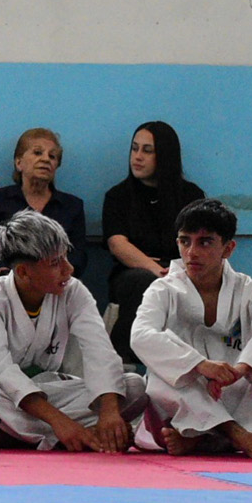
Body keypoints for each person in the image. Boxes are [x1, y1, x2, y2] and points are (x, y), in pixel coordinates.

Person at [0, 211, 145, 451]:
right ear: (23, 272)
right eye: (55, 263)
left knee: (134, 386)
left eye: (66, 257)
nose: (69, 269)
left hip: (47, 391)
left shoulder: (74, 291)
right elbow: (1, 370)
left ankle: (18, 436)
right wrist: (60, 422)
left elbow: (100, 350)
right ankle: (68, 434)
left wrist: (109, 413)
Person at [131, 199, 252, 458]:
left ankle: (198, 438)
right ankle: (234, 435)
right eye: (185, 241)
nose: (191, 252)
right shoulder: (163, 289)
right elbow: (141, 336)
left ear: (228, 248)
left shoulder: (250, 291)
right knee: (162, 378)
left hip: (231, 390)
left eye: (205, 242)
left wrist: (240, 370)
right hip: (183, 399)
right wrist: (200, 365)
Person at [102, 121, 204, 362]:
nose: (137, 157)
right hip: (133, 273)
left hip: (183, 271)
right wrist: (156, 270)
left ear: (165, 156)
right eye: (134, 148)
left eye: (147, 151)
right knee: (142, 283)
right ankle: (125, 361)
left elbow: (199, 243)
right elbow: (118, 244)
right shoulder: (118, 196)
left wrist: (175, 271)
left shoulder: (191, 196)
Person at [0, 128, 87, 278]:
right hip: (6, 278)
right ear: (19, 163)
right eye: (37, 153)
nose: (46, 159)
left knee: (76, 289)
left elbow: (78, 256)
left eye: (52, 156)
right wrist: (9, 277)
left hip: (55, 280)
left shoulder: (72, 206)